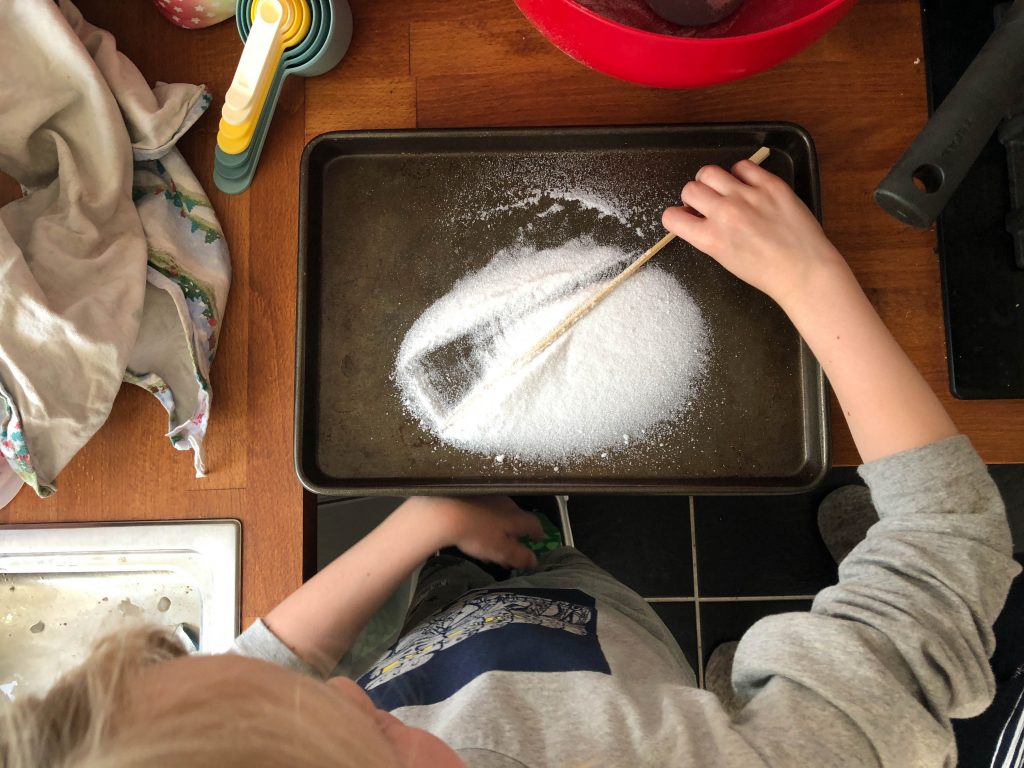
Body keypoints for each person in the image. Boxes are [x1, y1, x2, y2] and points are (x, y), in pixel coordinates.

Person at [2, 159, 1019, 768]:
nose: (359, 692)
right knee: (841, 643)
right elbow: (938, 561)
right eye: (372, 740)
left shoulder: (258, 741)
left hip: (547, 617)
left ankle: (718, 678)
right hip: (687, 709)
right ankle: (744, 681)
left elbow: (250, 681)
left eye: (315, 695)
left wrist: (426, 524)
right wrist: (813, 283)